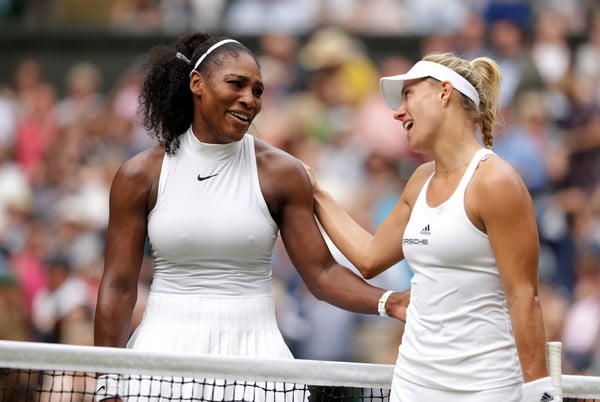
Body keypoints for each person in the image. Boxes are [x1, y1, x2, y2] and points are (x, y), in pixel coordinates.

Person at [93, 32, 408, 402]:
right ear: (197, 84)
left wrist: (390, 301)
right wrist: (107, 385)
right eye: (236, 84)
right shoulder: (138, 175)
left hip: (257, 356)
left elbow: (321, 274)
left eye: (258, 91)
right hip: (163, 351)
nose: (249, 100)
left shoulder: (282, 173)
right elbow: (117, 285)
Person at [303, 52, 560, 401]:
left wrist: (539, 392)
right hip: (413, 383)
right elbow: (368, 257)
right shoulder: (420, 179)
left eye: (408, 94)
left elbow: (523, 298)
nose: (397, 112)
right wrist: (315, 193)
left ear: (444, 92)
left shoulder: (496, 182)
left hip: (487, 387)